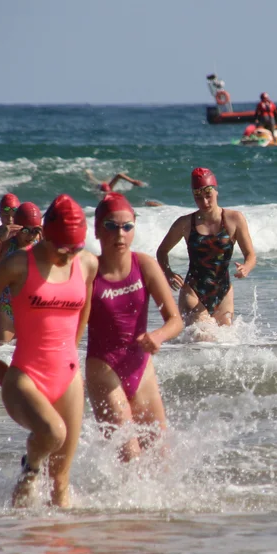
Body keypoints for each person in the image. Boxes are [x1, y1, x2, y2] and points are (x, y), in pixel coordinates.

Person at [0, 194, 98, 508]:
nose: (69, 255)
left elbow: (84, 308)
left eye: (75, 248)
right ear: (47, 235)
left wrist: (72, 351)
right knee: (53, 433)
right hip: (25, 377)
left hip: (68, 377)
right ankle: (30, 470)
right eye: (62, 248)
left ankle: (51, 536)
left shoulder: (87, 263)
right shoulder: (18, 264)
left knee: (61, 484)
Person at [87, 193, 183, 461]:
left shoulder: (145, 265)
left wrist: (158, 336)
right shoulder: (89, 272)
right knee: (130, 457)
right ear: (97, 230)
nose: (120, 234)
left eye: (127, 226)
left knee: (160, 459)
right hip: (103, 369)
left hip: (141, 368)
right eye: (111, 226)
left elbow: (175, 320)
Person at [157, 167, 257, 327]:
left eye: (208, 195)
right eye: (198, 197)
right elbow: (162, 251)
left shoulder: (234, 219)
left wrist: (246, 267)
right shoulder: (185, 223)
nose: (204, 202)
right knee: (203, 337)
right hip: (193, 291)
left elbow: (250, 254)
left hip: (223, 291)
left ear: (216, 191)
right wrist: (168, 273)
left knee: (225, 339)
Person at [0, 201, 44, 344]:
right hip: (7, 308)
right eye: (25, 231)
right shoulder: (6, 242)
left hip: (33, 308)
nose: (30, 236)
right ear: (17, 228)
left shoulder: (42, 241)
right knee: (2, 350)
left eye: (35, 231)